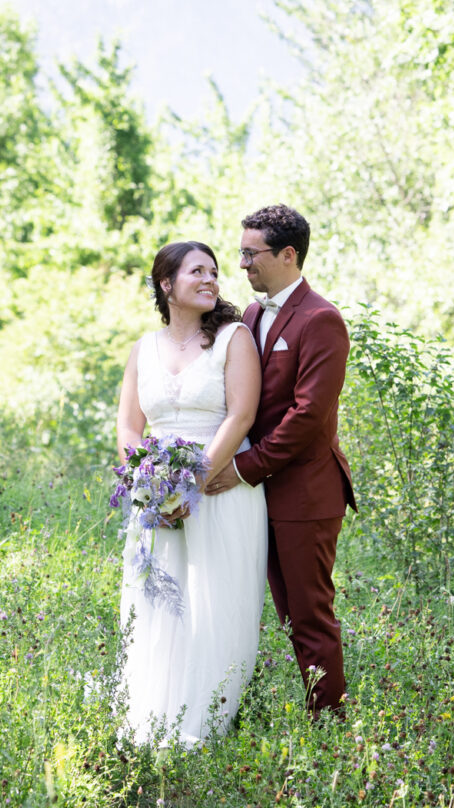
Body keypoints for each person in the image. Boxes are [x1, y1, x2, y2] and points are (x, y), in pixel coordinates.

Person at [115, 240, 268, 745]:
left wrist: (192, 485)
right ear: (167, 284)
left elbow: (241, 415)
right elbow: (129, 428)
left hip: (221, 489)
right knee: (158, 603)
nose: (210, 280)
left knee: (214, 603)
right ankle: (150, 722)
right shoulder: (144, 348)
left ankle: (207, 728)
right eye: (196, 272)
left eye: (214, 272)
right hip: (156, 499)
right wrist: (150, 490)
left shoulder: (233, 338)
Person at [206, 204, 356, 718]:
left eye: (252, 254)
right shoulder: (251, 314)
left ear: (287, 255)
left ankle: (330, 726)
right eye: (241, 253)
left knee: (309, 615)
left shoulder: (322, 320)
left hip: (306, 493)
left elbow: (308, 415)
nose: (242, 264)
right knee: (281, 614)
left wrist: (244, 468)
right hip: (257, 495)